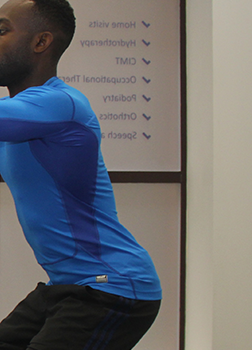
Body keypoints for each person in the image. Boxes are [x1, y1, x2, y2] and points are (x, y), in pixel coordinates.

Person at [0, 0, 162, 349]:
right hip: (66, 286)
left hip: (113, 287)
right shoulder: (19, 120)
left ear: (41, 42)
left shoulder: (62, 104)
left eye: (1, 30)